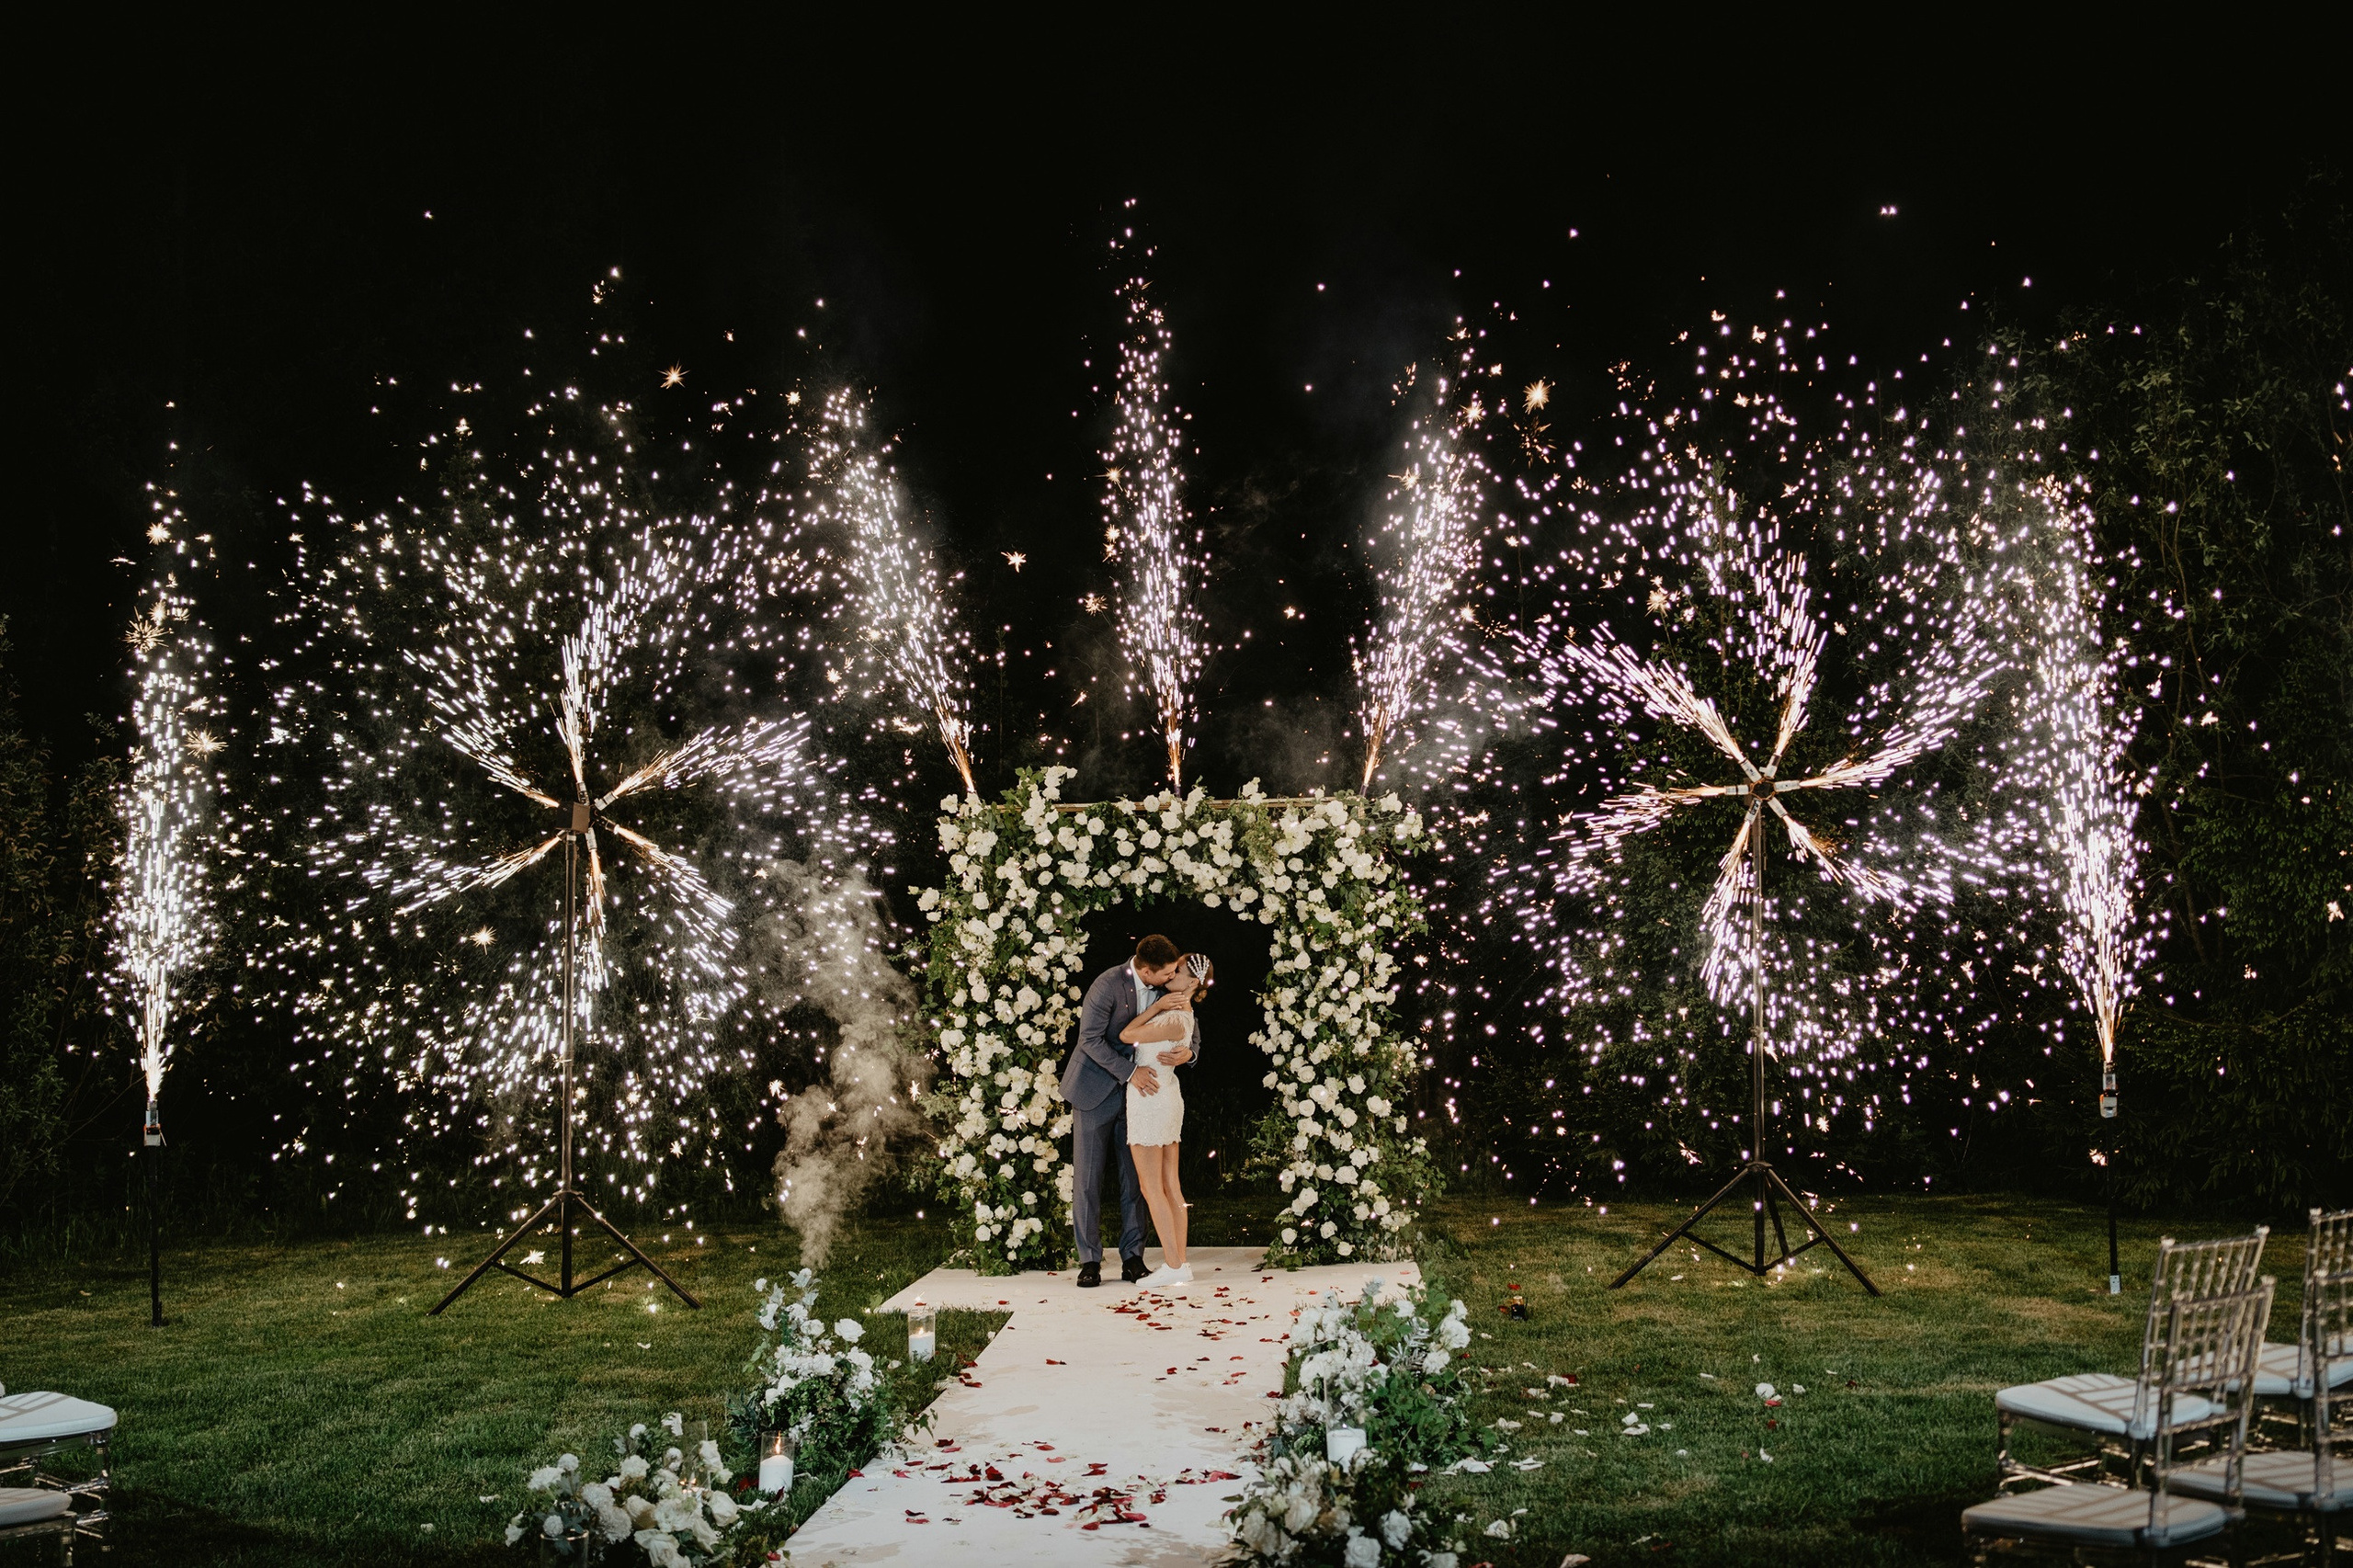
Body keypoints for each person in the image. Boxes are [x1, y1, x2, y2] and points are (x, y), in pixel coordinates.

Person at [1058, 935, 1197, 1288]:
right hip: (1096, 1090)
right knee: (1088, 1179)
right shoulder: (1107, 984)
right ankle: (1089, 1260)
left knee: (1135, 1180)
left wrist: (1188, 1054)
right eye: (1164, 974)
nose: (1169, 979)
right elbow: (1089, 1040)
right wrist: (1130, 1073)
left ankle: (1133, 1256)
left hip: (1142, 1098)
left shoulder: (1167, 990)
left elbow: (1189, 1030)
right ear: (1145, 970)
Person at [1122, 952, 1211, 1287]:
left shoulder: (1173, 1016)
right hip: (1165, 1097)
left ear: (1190, 983)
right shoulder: (1182, 1013)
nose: (1171, 971)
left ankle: (1173, 1264)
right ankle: (1180, 1263)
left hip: (1151, 1100)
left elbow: (1127, 1035)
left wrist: (1156, 1008)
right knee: (1170, 1185)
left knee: (1152, 1186)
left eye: (1179, 970)